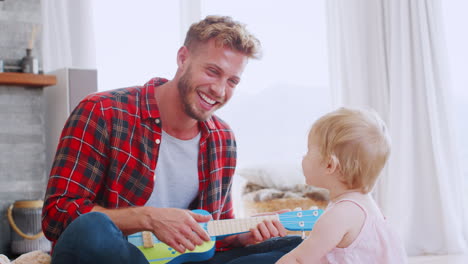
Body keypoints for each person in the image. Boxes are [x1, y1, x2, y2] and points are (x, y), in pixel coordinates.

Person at [41, 15, 302, 264]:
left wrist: (245, 234)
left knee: (293, 248)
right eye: (212, 71)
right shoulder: (102, 112)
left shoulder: (222, 139)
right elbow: (57, 215)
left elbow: (216, 231)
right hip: (116, 254)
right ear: (182, 58)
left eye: (232, 80)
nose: (220, 90)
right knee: (92, 229)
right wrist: (149, 218)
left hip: (186, 259)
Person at [276, 107, 407, 264]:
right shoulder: (367, 206)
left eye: (308, 151)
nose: (303, 157)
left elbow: (298, 260)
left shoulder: (339, 215)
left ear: (329, 165)